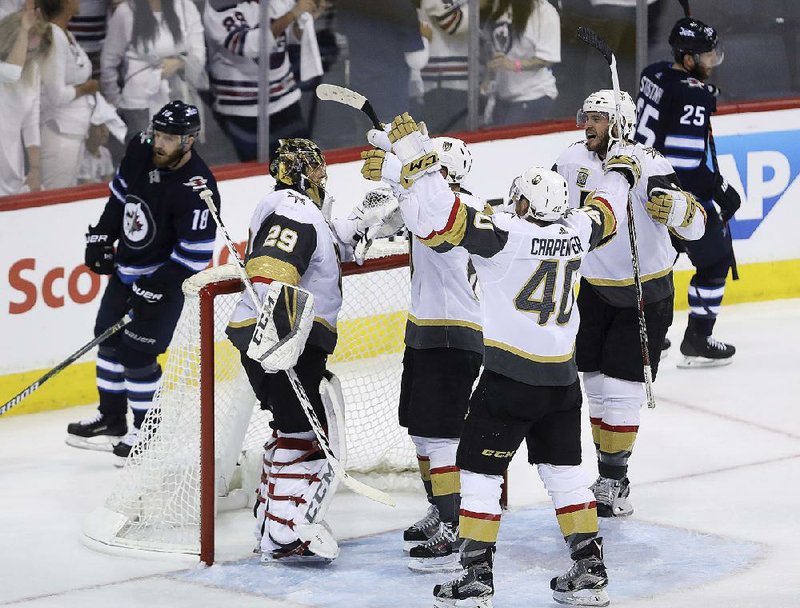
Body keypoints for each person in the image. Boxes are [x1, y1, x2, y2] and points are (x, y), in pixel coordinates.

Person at [363, 112, 624, 606]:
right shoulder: (578, 231)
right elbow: (607, 210)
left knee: (479, 477)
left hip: (509, 381)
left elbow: (444, 217)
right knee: (565, 476)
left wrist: (415, 153)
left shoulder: (508, 235)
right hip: (562, 383)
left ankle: (476, 576)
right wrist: (624, 168)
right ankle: (590, 569)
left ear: (524, 202)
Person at [226, 138, 400, 562]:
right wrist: (280, 340)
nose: (324, 175)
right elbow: (271, 271)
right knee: (306, 440)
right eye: (318, 169)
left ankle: (273, 529)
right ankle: (288, 534)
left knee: (292, 432)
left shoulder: (303, 210)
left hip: (283, 340)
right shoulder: (293, 207)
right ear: (303, 173)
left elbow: (332, 246)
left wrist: (365, 220)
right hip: (284, 340)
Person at [554, 89, 706, 518]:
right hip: (592, 289)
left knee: (621, 393)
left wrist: (676, 208)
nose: (589, 125)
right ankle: (607, 472)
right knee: (596, 390)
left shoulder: (648, 163)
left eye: (600, 119)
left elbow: (697, 228)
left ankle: (615, 482)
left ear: (619, 123)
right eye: (588, 116)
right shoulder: (570, 160)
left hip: (644, 291)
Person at [66, 100, 219, 463]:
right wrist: (102, 236)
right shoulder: (140, 147)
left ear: (189, 140)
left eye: (169, 137)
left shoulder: (197, 187)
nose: (159, 142)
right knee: (107, 339)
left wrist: (157, 286)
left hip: (165, 282)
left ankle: (145, 430)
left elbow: (195, 257)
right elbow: (119, 197)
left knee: (138, 355)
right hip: (126, 273)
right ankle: (113, 418)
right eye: (158, 133)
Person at [387, 137, 484, 572]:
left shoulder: (461, 212)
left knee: (443, 437)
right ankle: (440, 509)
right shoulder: (431, 205)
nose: (428, 178)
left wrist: (398, 175)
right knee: (422, 432)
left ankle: (454, 526)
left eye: (432, 171)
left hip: (453, 334)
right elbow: (393, 219)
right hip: (425, 331)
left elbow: (429, 230)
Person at [634, 16, 741, 367]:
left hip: (643, 187)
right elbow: (686, 163)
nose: (712, 61)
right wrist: (721, 190)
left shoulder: (653, 74)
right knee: (715, 261)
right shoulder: (692, 95)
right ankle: (697, 339)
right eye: (706, 56)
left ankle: (646, 335)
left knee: (660, 263)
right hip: (680, 197)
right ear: (689, 57)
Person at [203, 0, 320, 162]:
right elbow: (247, 45)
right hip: (243, 111)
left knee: (305, 164)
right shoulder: (220, 5)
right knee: (256, 175)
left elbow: (291, 38)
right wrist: (292, 14)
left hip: (286, 101)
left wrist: (303, 19)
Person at [100, 0, 206, 146]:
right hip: (140, 104)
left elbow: (199, 55)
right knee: (146, 160)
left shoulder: (185, 7)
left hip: (179, 98)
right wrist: (116, 101)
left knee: (179, 160)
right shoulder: (125, 11)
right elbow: (108, 61)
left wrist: (179, 63)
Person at [39, 0, 100, 189]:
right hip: (59, 133)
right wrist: (85, 89)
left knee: (68, 193)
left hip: (75, 130)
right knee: (55, 198)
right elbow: (55, 94)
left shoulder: (67, 34)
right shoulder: (54, 34)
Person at [0, 4, 52, 195]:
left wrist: (36, 170)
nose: (31, 58)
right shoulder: (5, 70)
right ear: (9, 42)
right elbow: (12, 73)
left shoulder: (33, 70)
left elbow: (31, 122)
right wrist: (23, 29)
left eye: (35, 52)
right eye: (28, 52)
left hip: (12, 168)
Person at [417, 0, 491, 134]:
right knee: (449, 143)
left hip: (464, 83)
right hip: (443, 86)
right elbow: (453, 23)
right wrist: (478, 4)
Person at [483, 0, 560, 126]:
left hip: (533, 94)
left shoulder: (544, 11)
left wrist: (515, 65)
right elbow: (491, 48)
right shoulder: (500, 6)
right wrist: (488, 77)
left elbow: (547, 58)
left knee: (507, 142)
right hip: (502, 96)